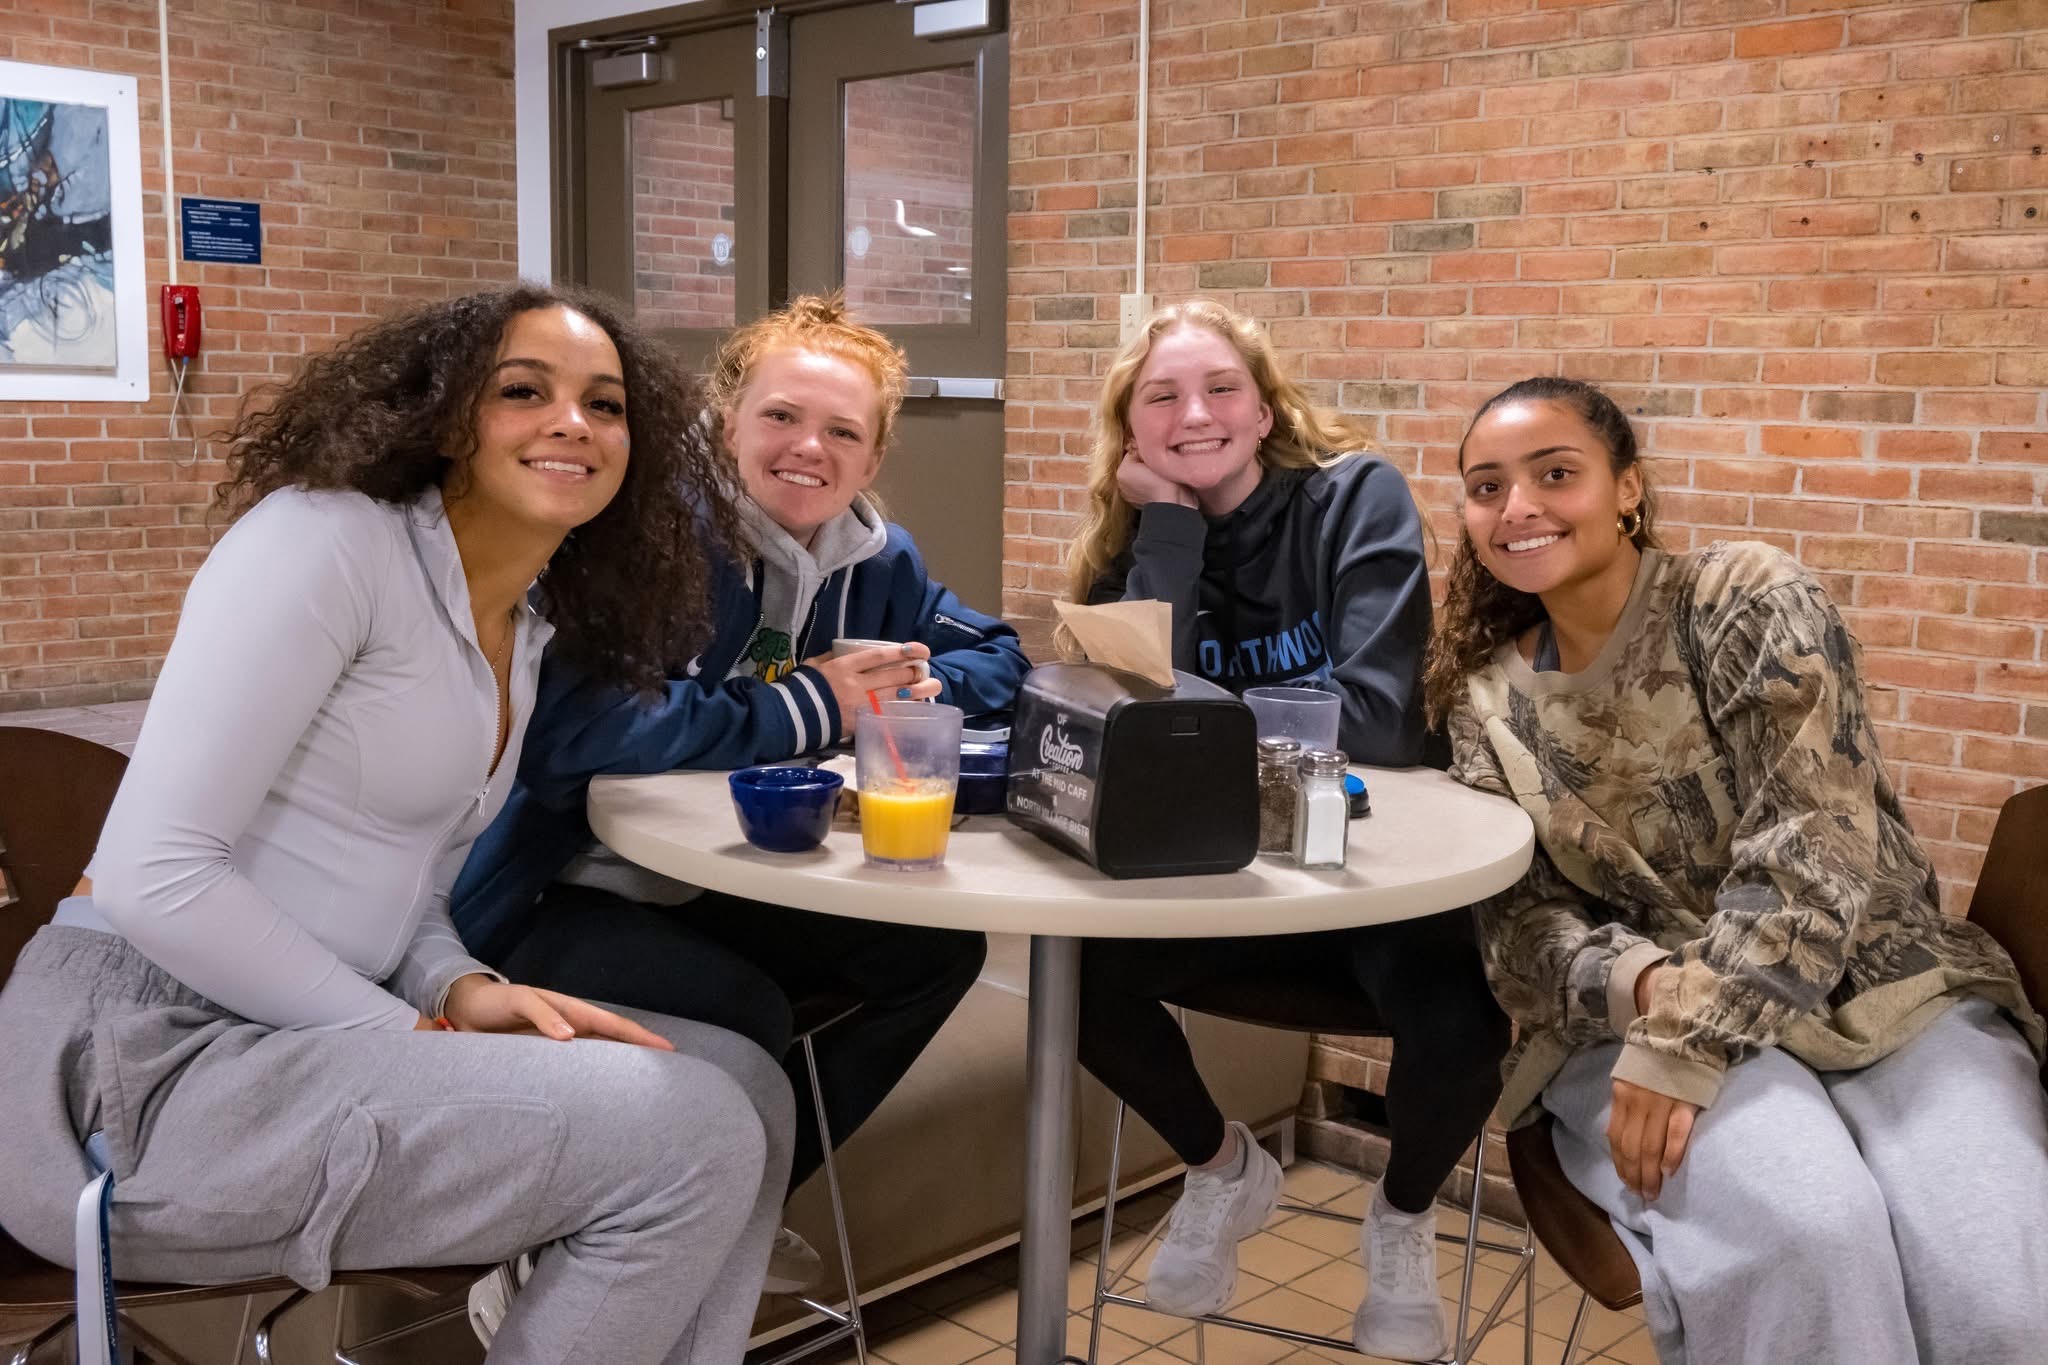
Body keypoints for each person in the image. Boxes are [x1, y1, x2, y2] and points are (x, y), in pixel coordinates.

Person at [0, 285, 796, 1365]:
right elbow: (156, 875)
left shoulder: (522, 625)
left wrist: (459, 989)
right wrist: (406, 1035)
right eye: (524, 391)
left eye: (605, 405)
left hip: (303, 1032)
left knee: (748, 1083)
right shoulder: (326, 542)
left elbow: (407, 886)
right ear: (444, 417)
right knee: (688, 1133)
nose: (573, 422)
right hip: (136, 1074)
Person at [1428, 375, 2048, 1365]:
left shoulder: (1740, 598)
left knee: (1996, 1296)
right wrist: (1646, 992)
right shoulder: (1485, 704)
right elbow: (1516, 927)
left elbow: (1814, 845)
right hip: (1632, 1024)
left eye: (1554, 474)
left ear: (1626, 488)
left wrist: (1690, 1034)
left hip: (1887, 998)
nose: (1518, 508)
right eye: (1485, 487)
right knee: (1811, 1241)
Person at [451, 293, 1026, 1291]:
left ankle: (737, 1211)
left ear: (873, 457)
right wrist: (810, 705)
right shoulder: (649, 535)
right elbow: (576, 738)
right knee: (746, 1013)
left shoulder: (875, 558)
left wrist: (918, 683)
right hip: (560, 889)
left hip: (724, 882)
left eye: (842, 431)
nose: (809, 447)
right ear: (726, 423)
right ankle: (581, 1255)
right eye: (781, 417)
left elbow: (999, 654)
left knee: (935, 952)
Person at [1064, 298, 1510, 1359]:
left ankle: (1400, 1222)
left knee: (1462, 1022)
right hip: (1221, 880)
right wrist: (1167, 531)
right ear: (1132, 431)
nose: (1194, 413)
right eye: (1160, 397)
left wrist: (1183, 721)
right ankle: (1221, 1169)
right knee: (1069, 974)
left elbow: (1380, 721)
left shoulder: (1351, 497)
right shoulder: (1134, 538)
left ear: (1263, 411)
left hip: (1365, 867)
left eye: (1221, 389)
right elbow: (1123, 719)